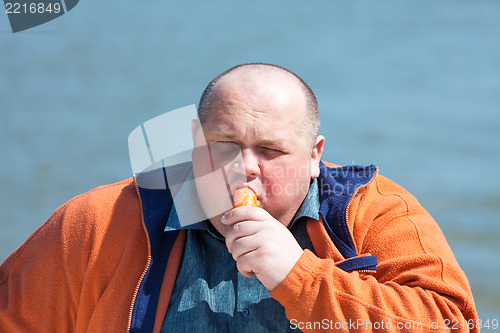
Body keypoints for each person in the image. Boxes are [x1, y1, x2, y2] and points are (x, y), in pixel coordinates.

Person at [0, 63, 478, 332]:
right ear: (194, 141)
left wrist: (299, 276)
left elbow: (455, 324)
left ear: (315, 156)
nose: (245, 167)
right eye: (224, 146)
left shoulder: (374, 212)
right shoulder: (98, 223)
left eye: (271, 150)